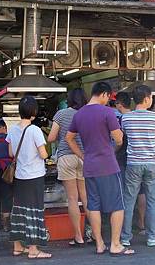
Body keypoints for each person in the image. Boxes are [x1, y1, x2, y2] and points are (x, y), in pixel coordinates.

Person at [66, 82, 132, 256]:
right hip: (108, 164)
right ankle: (116, 244)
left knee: (93, 205)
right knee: (117, 205)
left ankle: (100, 244)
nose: (108, 100)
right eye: (109, 97)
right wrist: (114, 143)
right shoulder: (107, 112)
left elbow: (69, 138)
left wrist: (82, 155)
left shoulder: (79, 114)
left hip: (89, 165)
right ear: (104, 94)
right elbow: (118, 139)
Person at [120, 85, 155, 248]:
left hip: (133, 163)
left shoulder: (126, 118)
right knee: (153, 200)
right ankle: (152, 237)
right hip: (153, 163)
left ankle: (125, 237)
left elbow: (123, 136)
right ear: (147, 99)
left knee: (129, 200)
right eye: (151, 97)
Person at [8, 96, 52, 259]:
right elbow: (43, 154)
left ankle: (18, 246)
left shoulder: (12, 130)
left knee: (19, 210)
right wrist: (45, 153)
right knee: (34, 211)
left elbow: (11, 153)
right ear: (34, 112)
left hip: (19, 177)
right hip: (34, 177)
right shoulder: (35, 130)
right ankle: (33, 249)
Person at [47, 88, 88, 247]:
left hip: (66, 156)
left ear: (69, 99)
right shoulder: (88, 113)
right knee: (85, 197)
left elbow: (50, 138)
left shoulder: (62, 114)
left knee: (72, 198)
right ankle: (94, 234)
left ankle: (78, 236)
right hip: (84, 157)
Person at [115, 92, 146, 234]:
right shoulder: (137, 116)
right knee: (141, 192)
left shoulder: (121, 120)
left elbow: (118, 141)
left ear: (119, 104)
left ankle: (123, 226)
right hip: (138, 158)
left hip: (123, 159)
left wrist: (112, 151)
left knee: (124, 194)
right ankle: (142, 222)